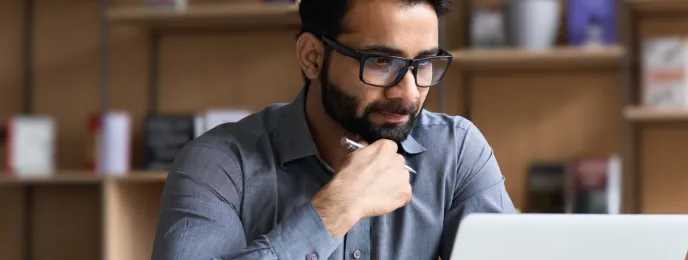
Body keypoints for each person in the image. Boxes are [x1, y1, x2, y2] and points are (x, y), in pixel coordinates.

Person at [150, 0, 516, 259]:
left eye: (424, 64)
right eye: (381, 62)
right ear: (312, 57)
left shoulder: (456, 151)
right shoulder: (218, 165)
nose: (408, 93)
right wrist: (333, 211)